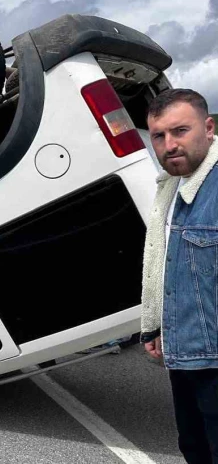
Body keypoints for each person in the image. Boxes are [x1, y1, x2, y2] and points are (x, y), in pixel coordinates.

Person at [141, 88, 217, 463]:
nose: (169, 144)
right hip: (185, 354)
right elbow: (166, 264)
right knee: (194, 448)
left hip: (215, 359)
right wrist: (155, 325)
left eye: (180, 131)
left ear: (208, 127)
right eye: (159, 135)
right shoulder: (171, 187)